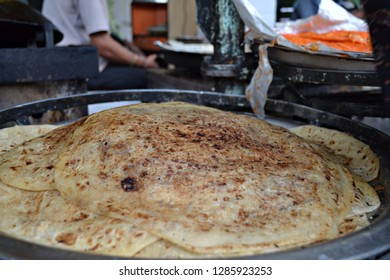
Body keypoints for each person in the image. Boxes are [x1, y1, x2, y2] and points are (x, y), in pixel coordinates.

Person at [42, 0, 159, 91]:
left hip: (61, 64)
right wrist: (142, 62)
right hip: (79, 70)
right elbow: (102, 44)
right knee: (151, 79)